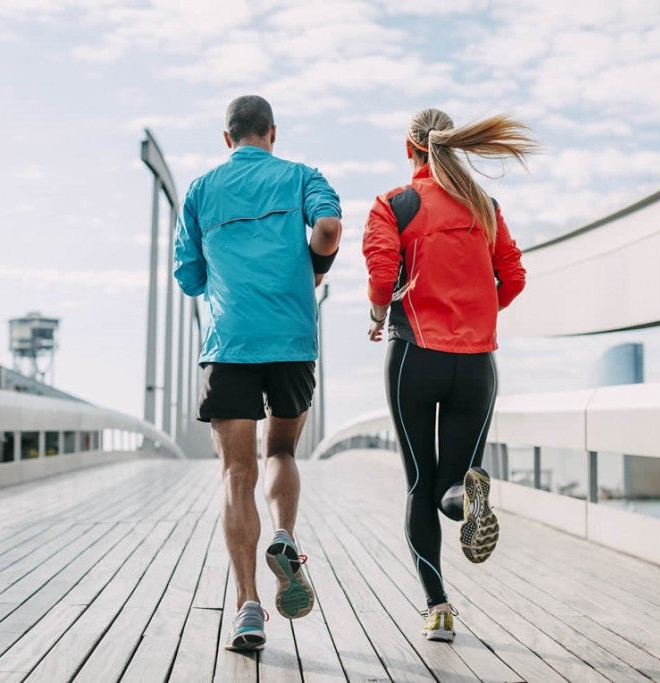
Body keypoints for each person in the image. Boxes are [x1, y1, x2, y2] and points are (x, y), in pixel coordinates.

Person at [174, 95, 342, 651]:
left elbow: (190, 277)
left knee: (235, 475)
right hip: (292, 342)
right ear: (273, 132)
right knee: (282, 453)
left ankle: (248, 607)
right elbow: (329, 228)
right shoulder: (301, 177)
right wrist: (312, 268)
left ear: (227, 139)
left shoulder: (200, 191)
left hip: (232, 345)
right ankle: (286, 537)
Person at [362, 108, 534, 643]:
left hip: (414, 356)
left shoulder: (394, 204)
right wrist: (477, 312)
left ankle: (437, 608)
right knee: (452, 481)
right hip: (477, 363)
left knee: (419, 482)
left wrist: (376, 315)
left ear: (408, 148)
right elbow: (514, 276)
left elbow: (380, 273)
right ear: (453, 146)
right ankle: (464, 497)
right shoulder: (485, 205)